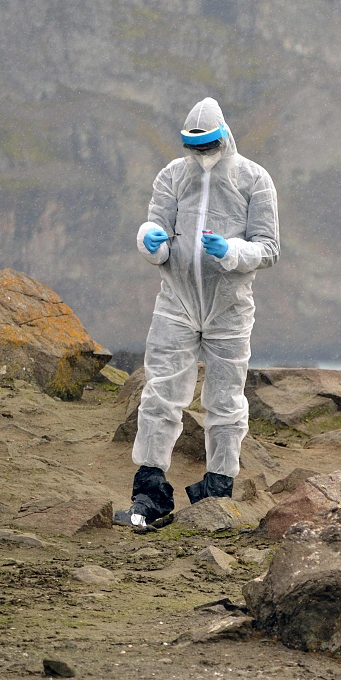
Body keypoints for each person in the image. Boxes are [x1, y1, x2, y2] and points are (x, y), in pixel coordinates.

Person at [114, 97, 280, 529]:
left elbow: (269, 247)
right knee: (161, 393)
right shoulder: (172, 176)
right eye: (195, 146)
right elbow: (158, 229)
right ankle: (150, 491)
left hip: (229, 306)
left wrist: (232, 251)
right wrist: (150, 242)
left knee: (226, 398)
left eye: (208, 145)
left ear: (224, 137)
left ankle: (218, 486)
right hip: (177, 301)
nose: (202, 154)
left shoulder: (254, 180)